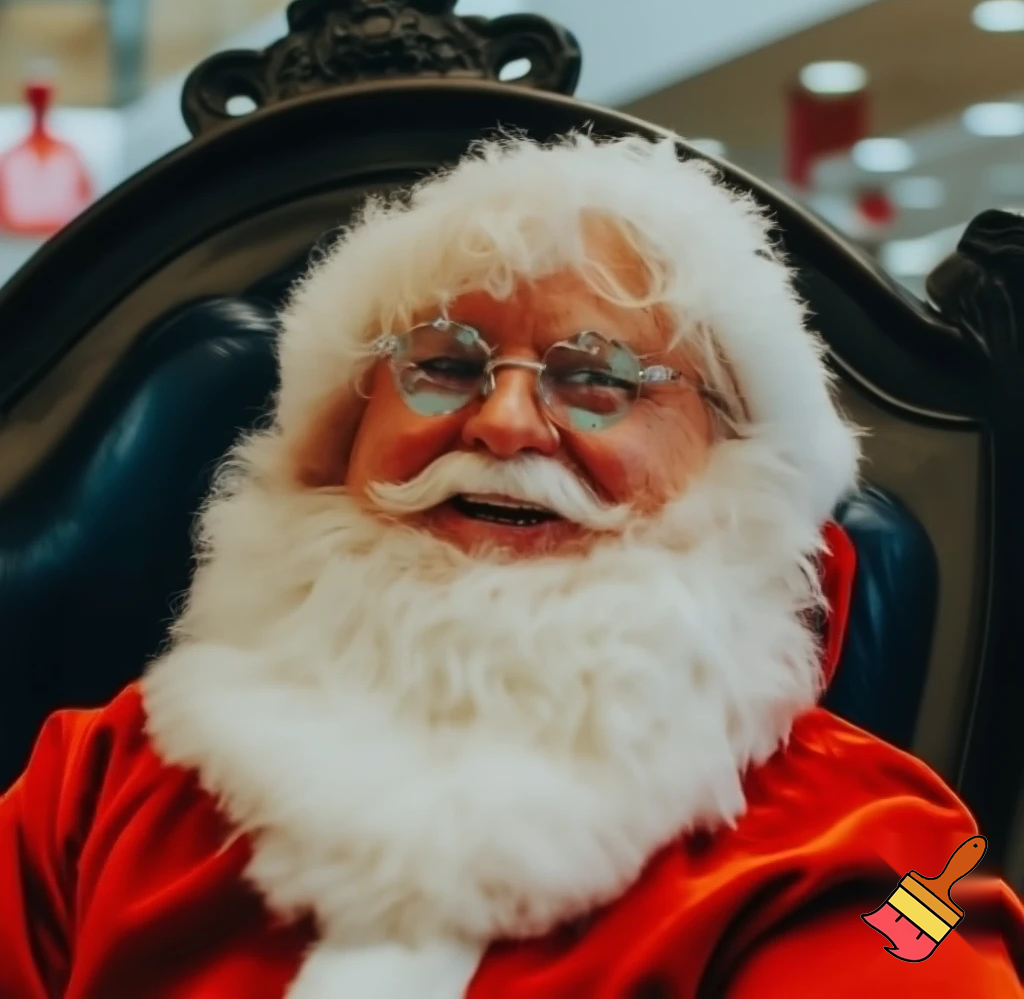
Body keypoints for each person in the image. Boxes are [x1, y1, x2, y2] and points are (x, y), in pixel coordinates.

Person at [1, 133, 1021, 999]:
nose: (497, 421)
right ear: (337, 437)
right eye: (442, 364)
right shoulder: (101, 779)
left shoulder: (880, 859)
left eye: (598, 378)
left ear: (736, 465)